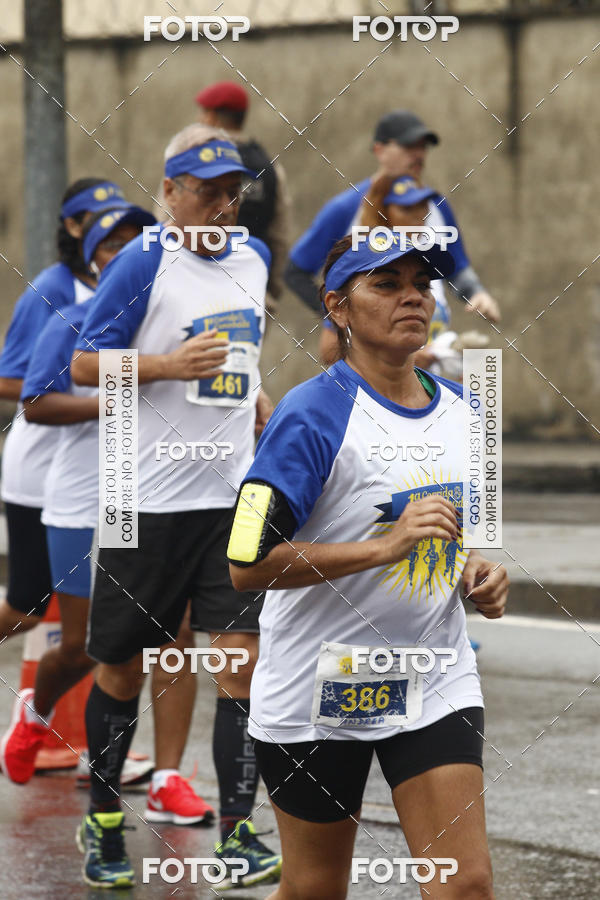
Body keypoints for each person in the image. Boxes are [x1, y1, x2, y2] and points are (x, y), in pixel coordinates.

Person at [228, 234, 509, 899]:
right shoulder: (308, 415)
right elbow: (244, 563)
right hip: (317, 686)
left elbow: (454, 535)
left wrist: (478, 573)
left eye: (421, 282)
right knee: (315, 888)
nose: (412, 295)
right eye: (386, 283)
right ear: (338, 307)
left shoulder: (466, 413)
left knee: (465, 885)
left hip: (432, 672)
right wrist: (383, 549)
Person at [70, 124, 281, 890]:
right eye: (207, 191)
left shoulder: (253, 259)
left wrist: (252, 392)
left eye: (232, 190)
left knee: (239, 667)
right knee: (122, 668)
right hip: (142, 496)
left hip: (232, 494)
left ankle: (237, 834)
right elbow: (84, 361)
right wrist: (164, 365)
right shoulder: (140, 261)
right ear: (169, 191)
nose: (223, 204)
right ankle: (102, 825)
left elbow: (238, 348)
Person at [0, 206, 168, 794]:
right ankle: (32, 717)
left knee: (133, 643)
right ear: (95, 260)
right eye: (112, 246)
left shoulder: (166, 322)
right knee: (77, 645)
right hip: (73, 498)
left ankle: (121, 771)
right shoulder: (69, 319)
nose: (126, 255)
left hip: (139, 495)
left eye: (137, 244)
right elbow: (36, 403)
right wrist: (119, 395)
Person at [0, 179, 129, 646]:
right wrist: (99, 400)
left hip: (100, 472)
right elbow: (13, 379)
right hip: (41, 464)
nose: (120, 240)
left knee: (101, 618)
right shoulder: (54, 290)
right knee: (28, 607)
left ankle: (45, 712)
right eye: (101, 227)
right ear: (73, 228)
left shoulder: (129, 287)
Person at [284, 109, 500, 361]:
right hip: (385, 362)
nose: (418, 154)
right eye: (408, 146)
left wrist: (477, 293)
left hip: (434, 349)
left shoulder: (436, 205)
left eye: (422, 147)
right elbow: (294, 271)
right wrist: (341, 312)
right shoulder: (345, 208)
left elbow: (455, 266)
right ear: (379, 150)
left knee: (485, 374)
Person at [196, 80, 291, 319]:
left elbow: (165, 220)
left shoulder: (190, 161)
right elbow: (280, 236)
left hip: (197, 291)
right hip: (252, 292)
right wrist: (271, 291)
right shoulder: (269, 167)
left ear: (212, 118)